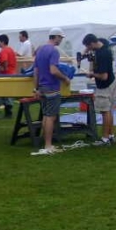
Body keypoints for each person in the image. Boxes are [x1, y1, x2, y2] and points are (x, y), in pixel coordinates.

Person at [31, 27, 71, 155]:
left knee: (46, 116)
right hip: (52, 87)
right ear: (56, 37)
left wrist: (36, 88)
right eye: (61, 38)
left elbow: (35, 72)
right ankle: (48, 145)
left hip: (42, 87)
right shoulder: (53, 51)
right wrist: (65, 78)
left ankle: (46, 144)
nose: (61, 40)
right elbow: (53, 70)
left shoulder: (40, 50)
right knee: (50, 117)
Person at [82, 33, 116, 146]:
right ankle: (111, 135)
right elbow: (89, 47)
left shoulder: (102, 54)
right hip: (112, 82)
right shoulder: (103, 43)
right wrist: (84, 53)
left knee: (104, 111)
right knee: (109, 110)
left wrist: (91, 74)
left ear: (92, 43)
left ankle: (105, 139)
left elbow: (103, 76)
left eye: (89, 46)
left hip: (105, 85)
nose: (88, 49)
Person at [0, 34, 18, 118]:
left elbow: (5, 61)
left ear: (2, 42)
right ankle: (8, 111)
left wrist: (4, 69)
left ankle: (8, 113)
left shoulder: (4, 51)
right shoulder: (10, 49)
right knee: (8, 93)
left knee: (6, 94)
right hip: (12, 73)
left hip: (6, 74)